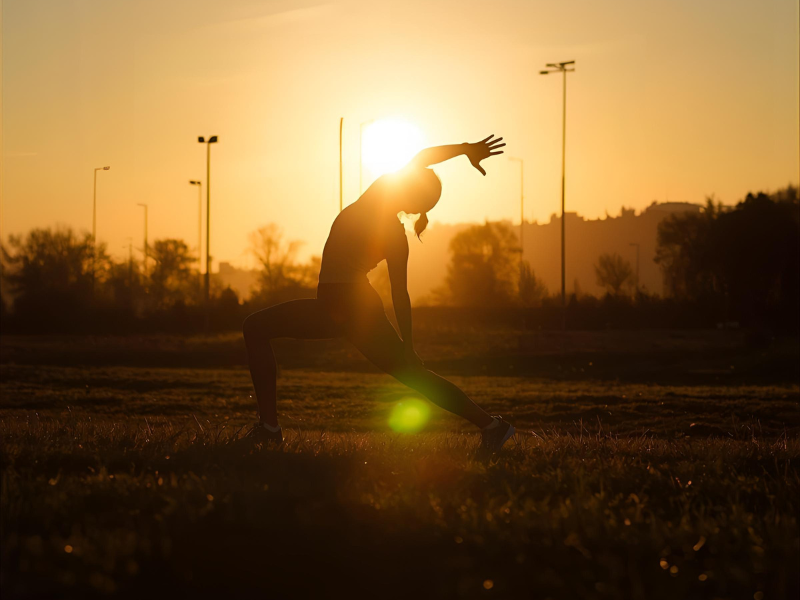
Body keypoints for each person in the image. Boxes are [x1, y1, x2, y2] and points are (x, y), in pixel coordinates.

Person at [242, 134, 514, 455]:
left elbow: (402, 295)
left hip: (349, 306)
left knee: (255, 327)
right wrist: (408, 348)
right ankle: (493, 427)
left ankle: (270, 430)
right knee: (413, 376)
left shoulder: (380, 202)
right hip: (342, 306)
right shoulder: (391, 223)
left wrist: (466, 150)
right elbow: (400, 296)